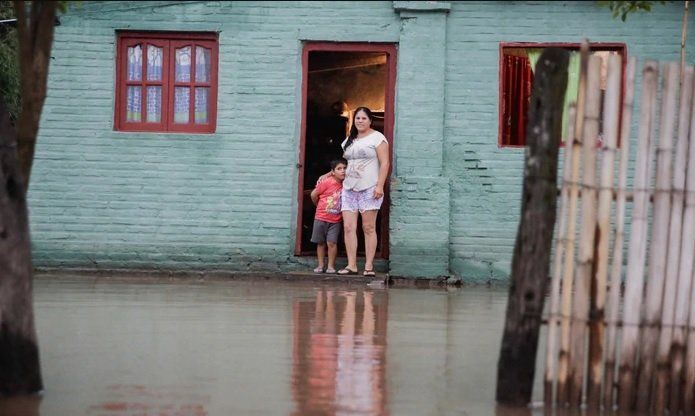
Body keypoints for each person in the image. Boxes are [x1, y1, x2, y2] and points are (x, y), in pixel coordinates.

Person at [336, 107, 390, 277]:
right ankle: (351, 265)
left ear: (370, 121)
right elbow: (344, 163)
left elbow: (385, 163)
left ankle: (368, 266)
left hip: (369, 187)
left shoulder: (377, 138)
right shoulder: (349, 140)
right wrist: (328, 174)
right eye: (357, 118)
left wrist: (380, 185)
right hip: (349, 188)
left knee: (368, 227)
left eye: (364, 118)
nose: (360, 121)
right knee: (348, 227)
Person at [310, 158, 347, 274]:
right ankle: (320, 265)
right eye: (339, 169)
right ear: (333, 171)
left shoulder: (346, 184)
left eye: (345, 168)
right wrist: (318, 205)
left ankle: (330, 266)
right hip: (321, 217)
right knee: (320, 243)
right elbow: (313, 194)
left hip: (335, 220)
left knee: (332, 243)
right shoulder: (327, 182)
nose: (343, 171)